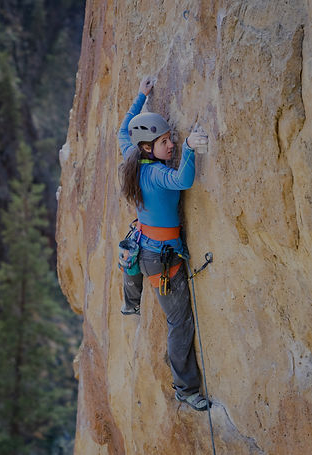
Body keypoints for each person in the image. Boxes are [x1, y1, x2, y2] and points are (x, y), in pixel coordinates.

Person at [117, 76, 210, 412]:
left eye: (171, 139)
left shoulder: (132, 158)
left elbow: (122, 131)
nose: (170, 144)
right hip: (161, 259)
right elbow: (183, 179)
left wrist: (141, 97)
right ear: (147, 148)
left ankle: (131, 301)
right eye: (164, 142)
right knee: (179, 321)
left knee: (174, 317)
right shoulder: (156, 175)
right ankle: (186, 389)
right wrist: (189, 150)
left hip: (146, 249)